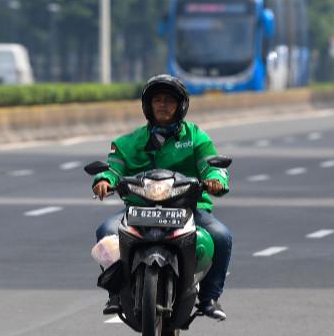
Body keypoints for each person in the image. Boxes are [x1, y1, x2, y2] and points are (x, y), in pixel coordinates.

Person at [91, 74, 232, 321]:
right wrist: (103, 181)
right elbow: (113, 168)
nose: (163, 105)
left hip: (187, 208)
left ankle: (209, 298)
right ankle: (116, 293)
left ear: (181, 106)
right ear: (148, 106)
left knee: (221, 236)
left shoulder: (196, 138)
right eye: (157, 100)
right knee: (106, 231)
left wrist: (215, 180)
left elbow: (211, 166)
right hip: (139, 209)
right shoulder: (128, 142)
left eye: (169, 100)